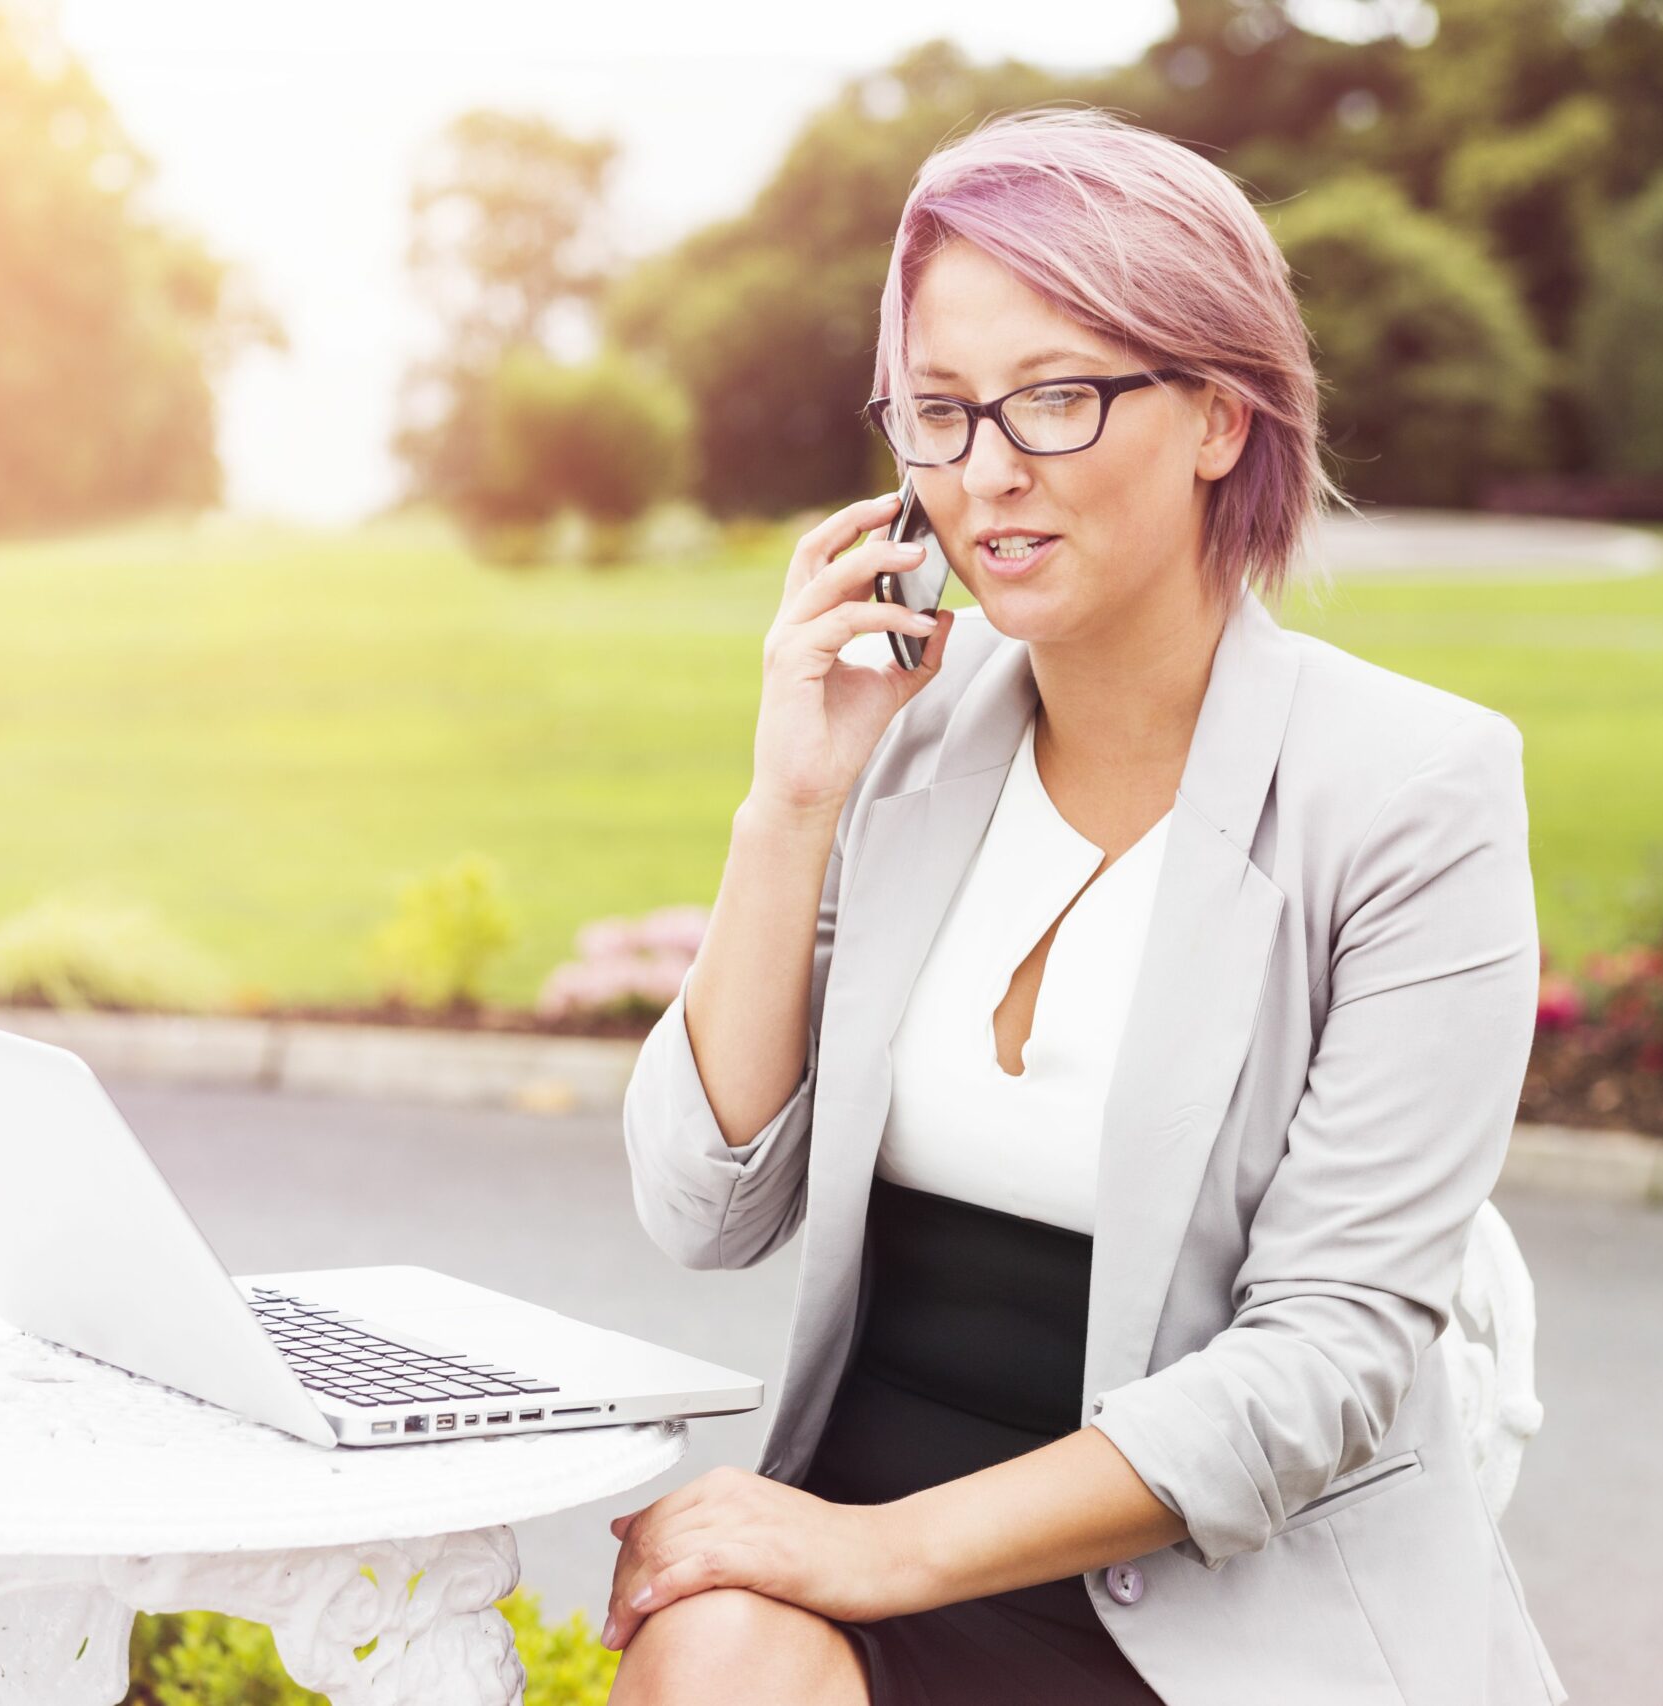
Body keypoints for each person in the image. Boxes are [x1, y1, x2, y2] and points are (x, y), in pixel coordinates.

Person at [602, 107, 1568, 1706]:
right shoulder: (901, 731)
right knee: (716, 1656)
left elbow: (1318, 1360)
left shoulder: (1415, 792)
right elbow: (704, 1207)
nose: (988, 474)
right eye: (940, 411)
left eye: (1055, 397)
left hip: (1219, 1618)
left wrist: (882, 1545)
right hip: (840, 1583)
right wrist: (788, 806)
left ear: (1217, 414)